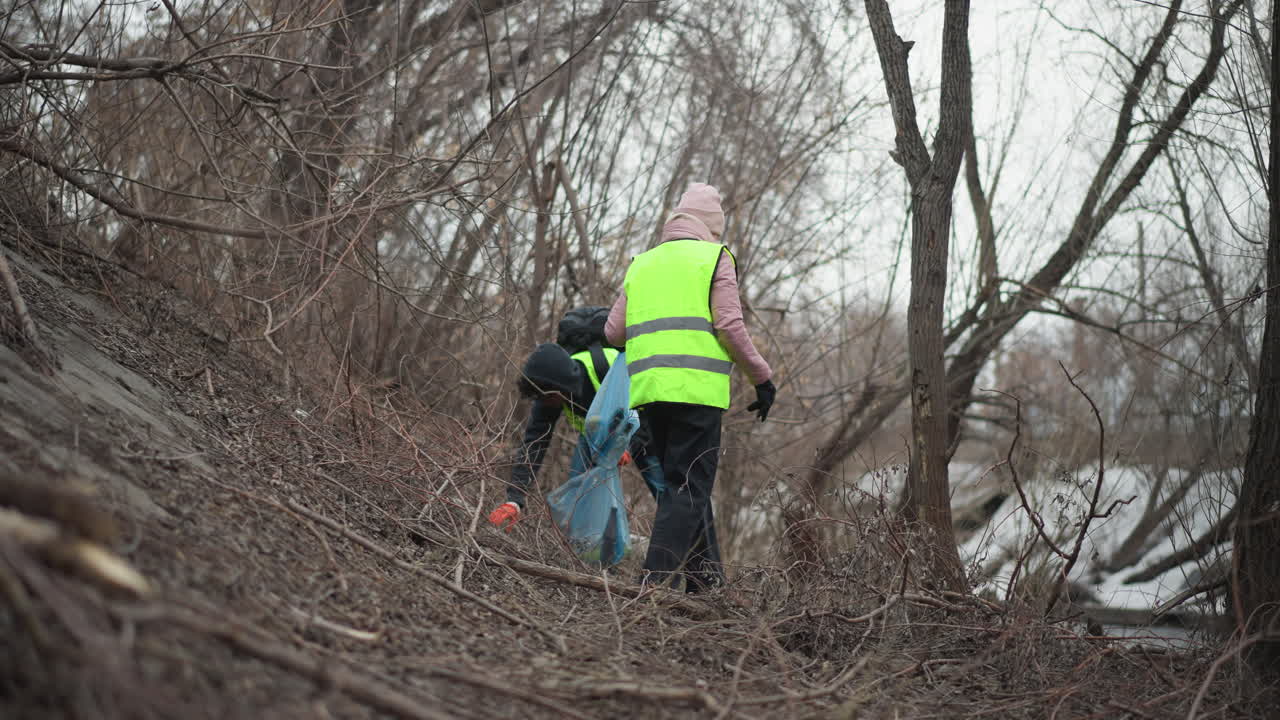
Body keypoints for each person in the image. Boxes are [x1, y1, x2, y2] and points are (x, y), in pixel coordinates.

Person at [604, 182, 775, 593]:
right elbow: (730, 326)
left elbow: (613, 332)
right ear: (712, 228)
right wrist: (762, 378)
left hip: (648, 393)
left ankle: (705, 586)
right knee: (687, 490)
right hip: (696, 394)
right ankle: (651, 587)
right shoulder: (715, 257)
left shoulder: (641, 263)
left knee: (680, 492)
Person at [488, 341, 663, 530]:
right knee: (579, 493)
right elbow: (533, 445)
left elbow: (641, 409)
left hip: (641, 427)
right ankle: (588, 547)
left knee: (663, 487)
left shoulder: (605, 369)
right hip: (594, 437)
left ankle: (687, 544)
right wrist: (515, 500)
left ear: (559, 386)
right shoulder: (547, 396)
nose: (545, 402)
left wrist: (627, 444)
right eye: (540, 398)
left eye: (547, 397)